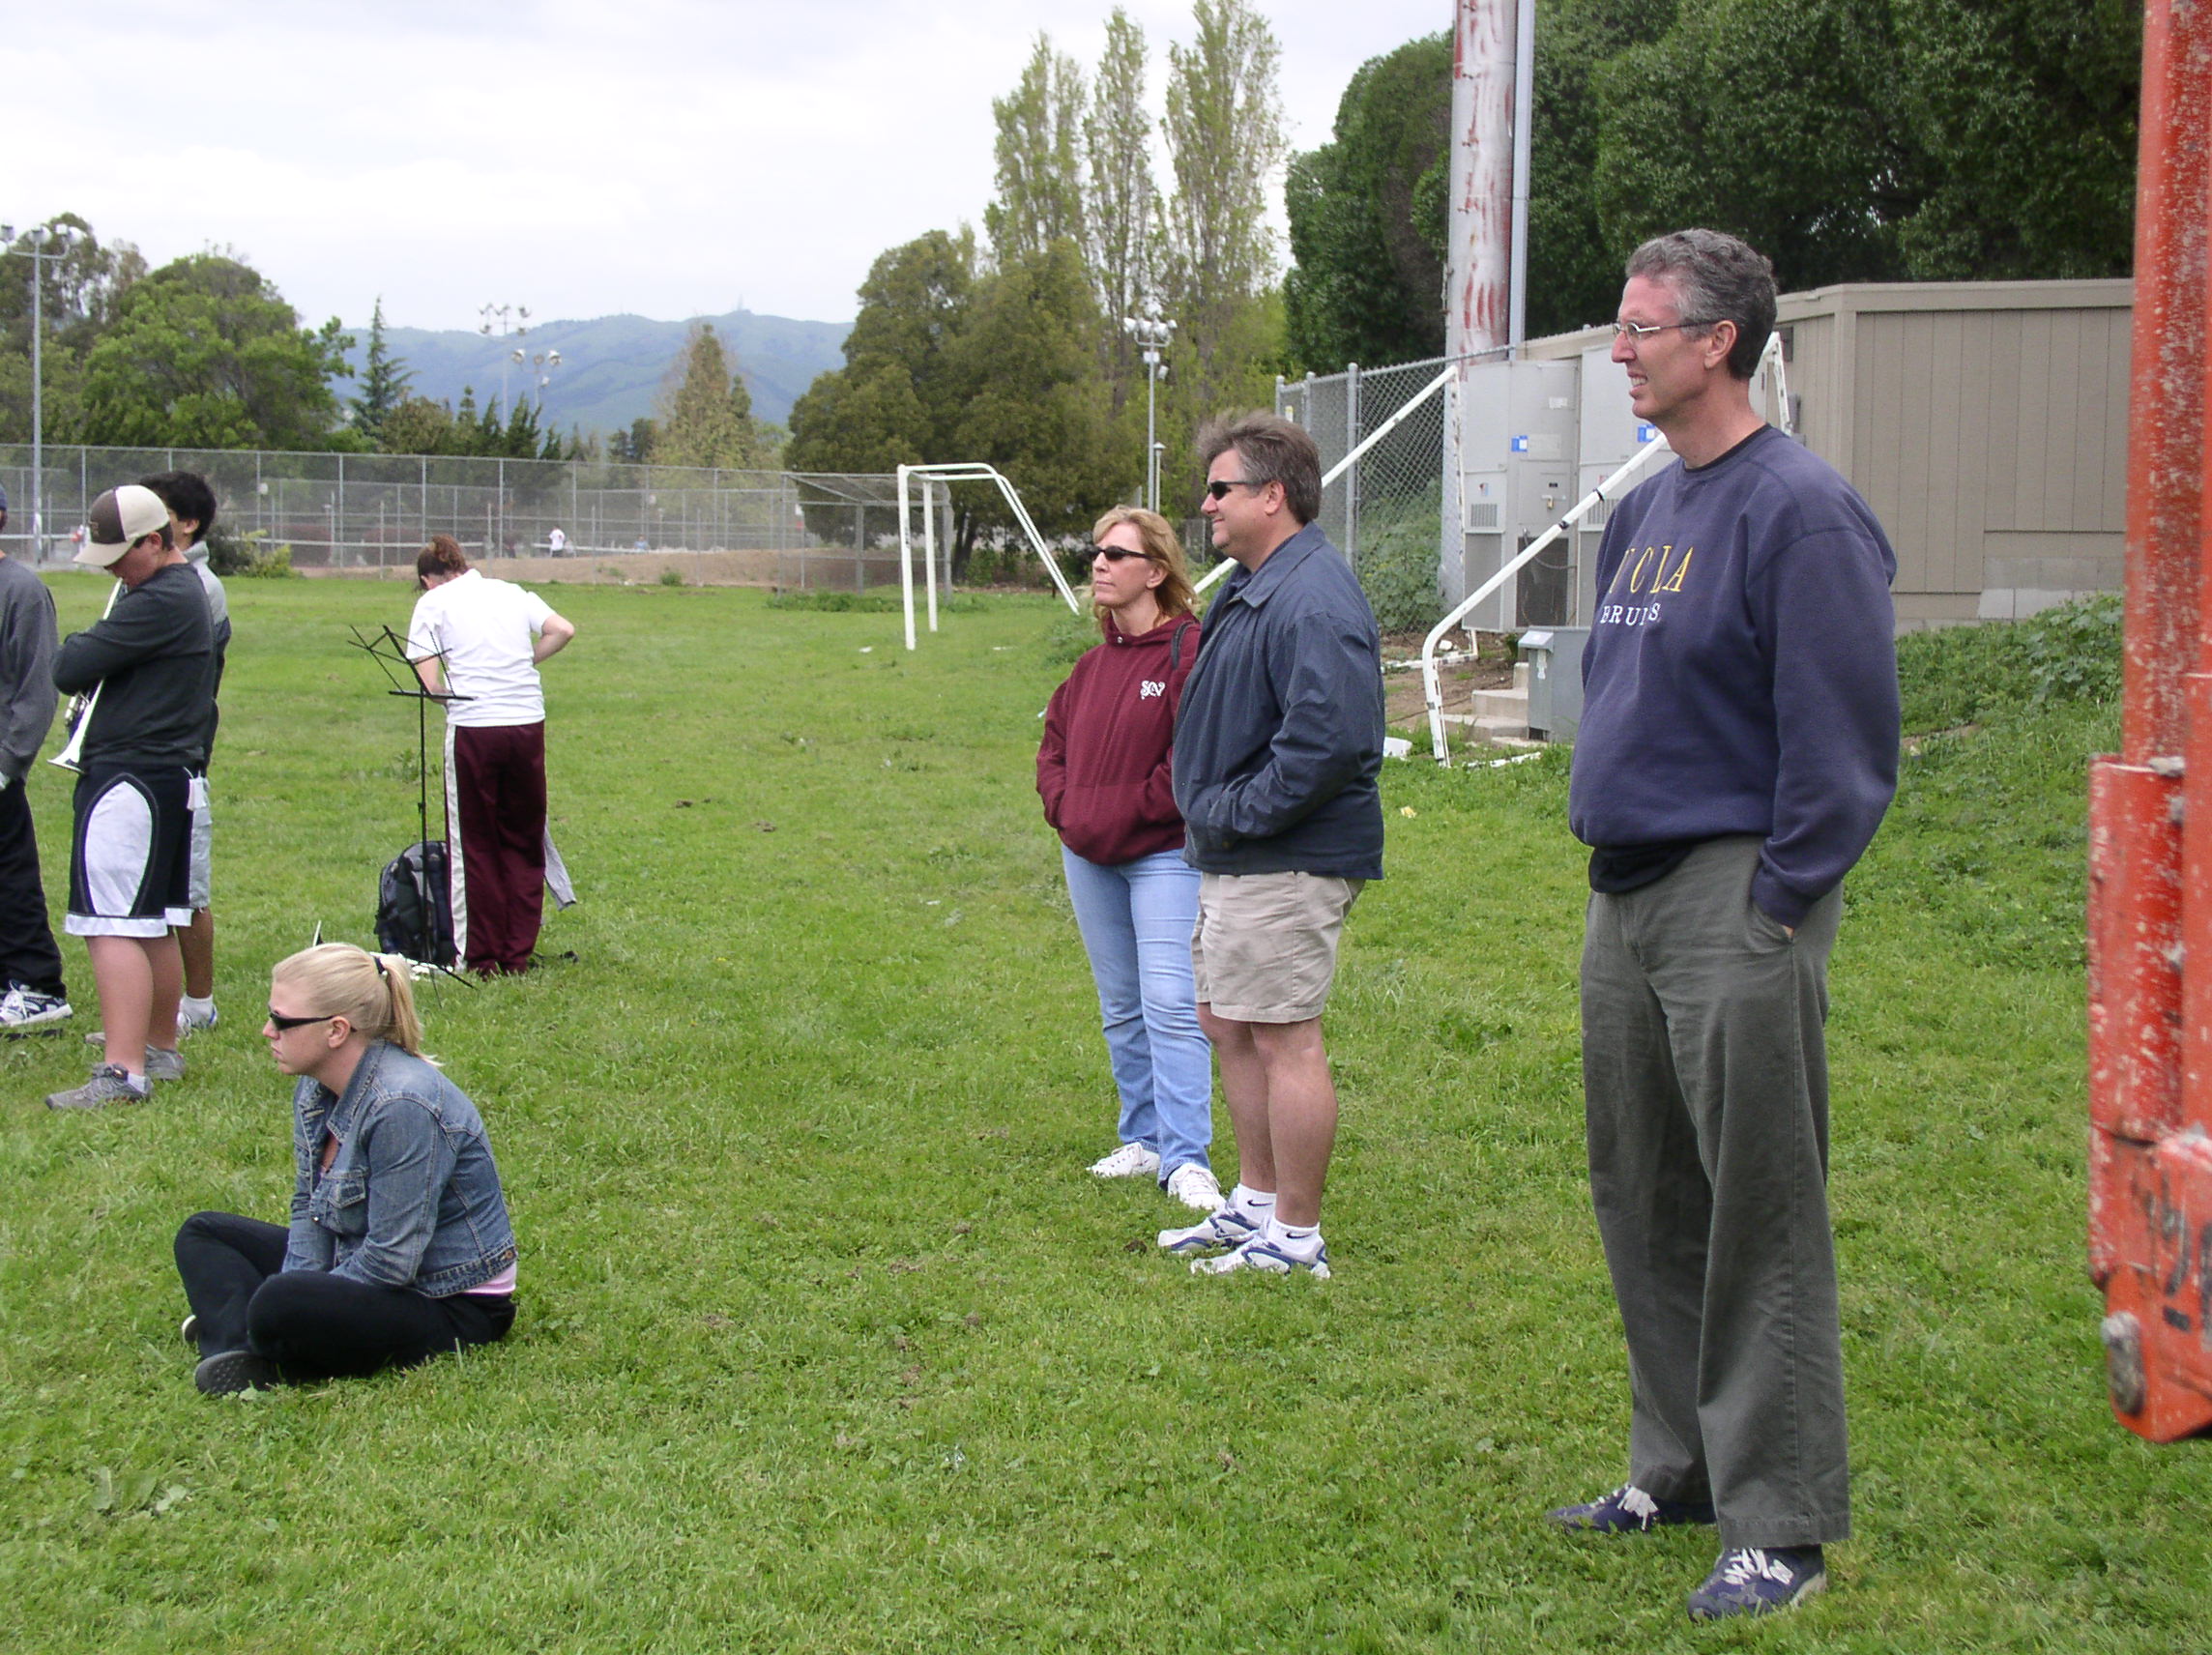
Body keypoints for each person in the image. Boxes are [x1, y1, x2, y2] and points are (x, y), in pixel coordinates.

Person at [1547, 229, 1899, 1621]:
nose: (1619, 350)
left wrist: (1775, 904)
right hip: (1623, 899)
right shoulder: (1648, 512)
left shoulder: (1798, 511)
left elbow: (1846, 741)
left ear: (1717, 343)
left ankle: (1782, 1521)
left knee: (1756, 1206)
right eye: (1618, 325)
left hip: (1733, 899)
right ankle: (1675, 1467)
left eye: (1640, 329)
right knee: (1642, 1191)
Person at [1158, 413, 1384, 1278]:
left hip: (1285, 856)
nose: (1205, 505)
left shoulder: (1313, 595)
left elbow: (1331, 742)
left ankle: (1296, 1234)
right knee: (1228, 1021)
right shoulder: (1256, 580)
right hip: (1236, 852)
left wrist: (1233, 811)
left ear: (1271, 495)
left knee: (1285, 1034)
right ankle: (1253, 1202)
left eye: (1220, 489)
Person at [173, 943, 518, 1395]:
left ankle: (246, 1338)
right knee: (203, 1234)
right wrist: (302, 1289)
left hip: (447, 1300)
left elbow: (394, 1262)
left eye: (282, 1020)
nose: (266, 1031)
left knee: (280, 1302)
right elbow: (308, 1207)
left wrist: (297, 1301)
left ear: (336, 1030)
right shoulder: (316, 1087)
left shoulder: (403, 1104)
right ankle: (250, 1345)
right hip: (360, 1257)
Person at [1037, 506, 1220, 1215]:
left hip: (1163, 857)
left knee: (1171, 1005)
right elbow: (1053, 747)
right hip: (1089, 857)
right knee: (1121, 1007)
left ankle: (1187, 1159)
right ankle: (1142, 1138)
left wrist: (1116, 813)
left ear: (1158, 571)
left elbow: (1188, 765)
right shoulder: (1090, 666)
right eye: (1097, 553)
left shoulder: (1189, 654)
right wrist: (1068, 809)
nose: (1100, 565)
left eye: (1117, 554)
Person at [44, 485, 215, 1110]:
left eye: (121, 554)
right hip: (163, 774)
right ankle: (157, 1047)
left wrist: (89, 642)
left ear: (155, 540)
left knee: (110, 921)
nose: (112, 568)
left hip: (130, 777)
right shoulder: (177, 589)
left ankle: (123, 1072)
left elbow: (71, 665)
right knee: (150, 923)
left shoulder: (160, 599)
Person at [406, 535, 577, 974]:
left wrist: (447, 695)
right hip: (526, 724)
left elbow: (428, 679)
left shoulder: (434, 602)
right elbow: (562, 629)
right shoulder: (511, 592)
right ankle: (516, 951)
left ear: (429, 579)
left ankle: (479, 957)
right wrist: (523, 663)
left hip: (475, 729)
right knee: (522, 837)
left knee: (474, 844)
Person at [136, 471, 227, 1037]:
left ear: (186, 524)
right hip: (147, 750)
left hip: (180, 753)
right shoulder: (151, 576)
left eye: (158, 511)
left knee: (187, 890)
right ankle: (154, 1010)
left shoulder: (199, 586)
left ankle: (199, 1004)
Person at [0, 481, 73, 1032]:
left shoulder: (20, 590)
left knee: (10, 876)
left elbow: (36, 686)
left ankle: (37, 984)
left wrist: (8, 763)